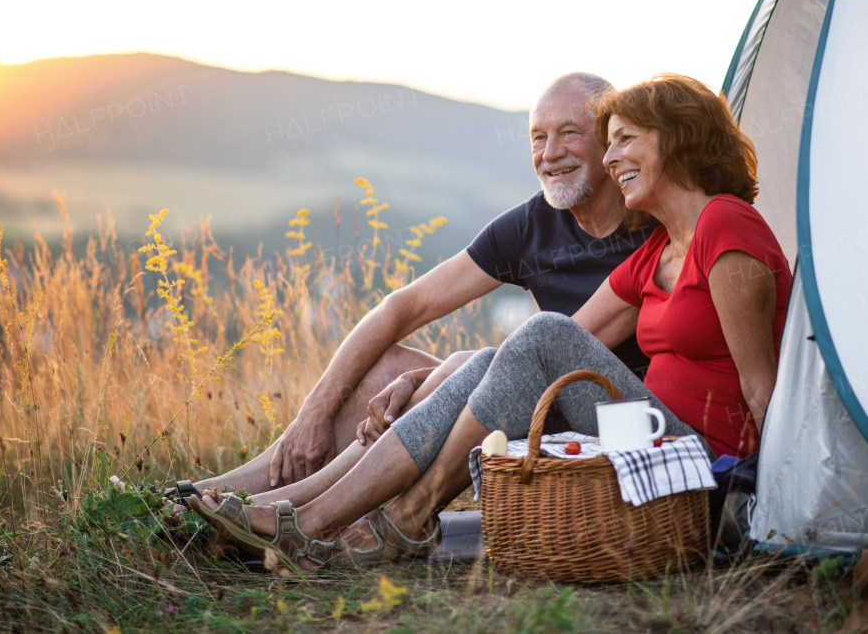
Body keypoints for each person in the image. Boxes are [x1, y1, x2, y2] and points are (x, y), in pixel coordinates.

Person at [191, 73, 792, 569]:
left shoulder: (723, 224)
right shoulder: (655, 252)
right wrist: (441, 378)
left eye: (622, 140)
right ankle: (297, 513)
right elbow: (553, 347)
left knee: (536, 336)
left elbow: (763, 387)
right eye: (604, 143)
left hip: (702, 468)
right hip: (638, 437)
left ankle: (384, 517)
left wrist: (776, 509)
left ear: (678, 140)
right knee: (490, 358)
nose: (610, 158)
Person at [187, 72, 653, 500]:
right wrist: (313, 412)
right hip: (527, 405)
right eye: (537, 136)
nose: (550, 153)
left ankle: (280, 510)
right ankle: (210, 496)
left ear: (608, 140)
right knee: (386, 368)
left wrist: (447, 372)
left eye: (569, 132)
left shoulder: (655, 223)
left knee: (464, 363)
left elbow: (548, 351)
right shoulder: (530, 226)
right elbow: (404, 307)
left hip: (617, 420)